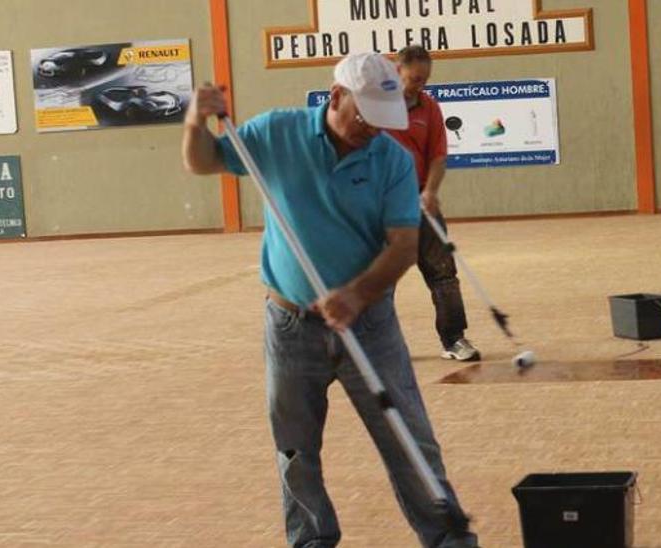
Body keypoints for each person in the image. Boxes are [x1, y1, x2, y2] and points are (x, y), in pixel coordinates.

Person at [181, 52, 478, 548]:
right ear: (337, 95)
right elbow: (203, 161)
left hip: (370, 324)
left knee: (408, 437)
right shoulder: (276, 134)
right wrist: (194, 119)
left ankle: (447, 537)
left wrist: (358, 294)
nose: (373, 131)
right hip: (291, 326)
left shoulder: (392, 160)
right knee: (295, 447)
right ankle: (312, 539)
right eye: (366, 117)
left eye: (384, 121)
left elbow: (403, 245)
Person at [383, 45, 480, 362]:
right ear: (397, 71)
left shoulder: (430, 108)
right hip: (381, 208)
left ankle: (454, 340)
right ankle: (381, 347)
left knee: (444, 274)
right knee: (380, 279)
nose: (420, 85)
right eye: (414, 78)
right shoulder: (376, 107)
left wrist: (431, 192)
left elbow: (438, 156)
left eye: (425, 79)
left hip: (423, 203)